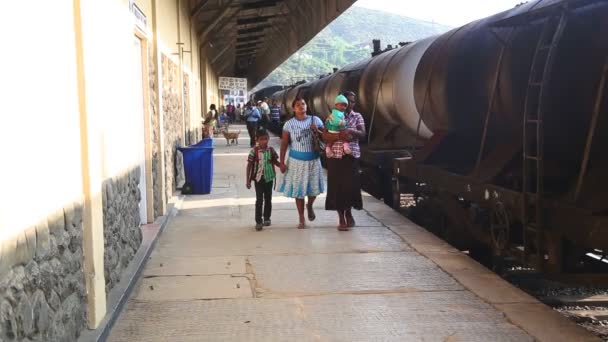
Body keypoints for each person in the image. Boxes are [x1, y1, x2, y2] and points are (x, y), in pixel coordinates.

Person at [278, 97, 325, 229]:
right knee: (299, 191)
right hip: (296, 161)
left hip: (313, 160)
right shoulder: (289, 124)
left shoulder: (315, 120)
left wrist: (317, 130)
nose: (301, 106)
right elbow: (284, 144)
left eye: (303, 104)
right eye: (298, 105)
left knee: (314, 190)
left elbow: (325, 137)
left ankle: (309, 205)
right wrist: (281, 162)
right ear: (293, 108)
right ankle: (301, 217)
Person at [324, 91, 366, 231]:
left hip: (351, 155)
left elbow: (363, 133)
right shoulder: (332, 117)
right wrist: (338, 137)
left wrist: (350, 132)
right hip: (335, 156)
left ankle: (348, 212)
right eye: (347, 101)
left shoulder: (357, 116)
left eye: (352, 101)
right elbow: (325, 136)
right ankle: (341, 217)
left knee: (349, 186)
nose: (349, 104)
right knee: (337, 187)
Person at [246, 129, 280, 231]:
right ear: (257, 140)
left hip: (269, 178)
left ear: (268, 139)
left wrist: (282, 166)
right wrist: (247, 180)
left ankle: (267, 218)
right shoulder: (254, 151)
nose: (264, 141)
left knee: (268, 199)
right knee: (259, 199)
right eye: (261, 139)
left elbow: (275, 161)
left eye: (266, 139)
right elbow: (249, 166)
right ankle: (258, 221)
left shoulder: (271, 150)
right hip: (258, 179)